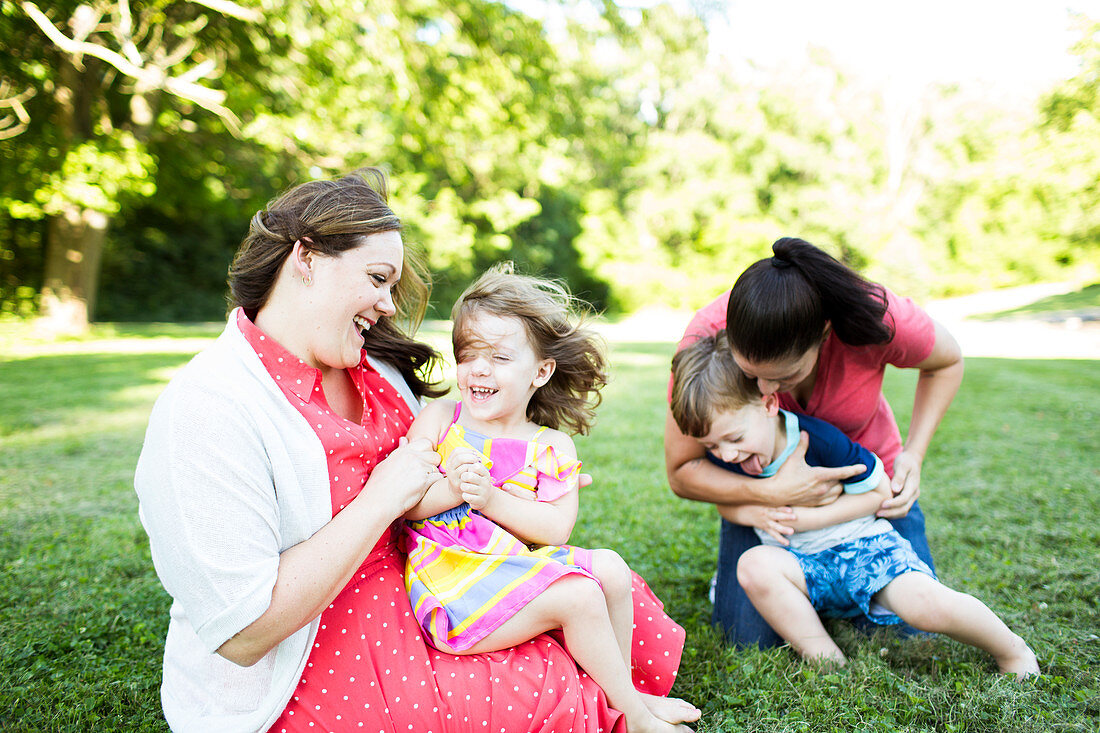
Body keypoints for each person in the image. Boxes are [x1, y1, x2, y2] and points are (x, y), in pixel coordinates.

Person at [134, 168, 689, 733]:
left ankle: (621, 696)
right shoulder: (207, 408)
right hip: (318, 643)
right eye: (377, 278)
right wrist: (382, 499)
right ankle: (620, 704)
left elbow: (480, 427)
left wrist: (523, 475)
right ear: (305, 257)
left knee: (608, 590)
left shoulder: (371, 365)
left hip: (442, 567)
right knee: (544, 688)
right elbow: (244, 630)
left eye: (390, 286)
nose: (385, 304)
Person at [401, 264, 699, 733]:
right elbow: (404, 503)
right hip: (453, 584)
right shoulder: (441, 419)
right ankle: (636, 719)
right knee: (579, 597)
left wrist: (491, 499)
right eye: (468, 354)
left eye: (498, 357)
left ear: (541, 371)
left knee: (612, 569)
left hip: (514, 563)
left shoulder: (550, 446)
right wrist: (452, 488)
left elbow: (557, 529)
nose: (478, 367)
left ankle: (625, 690)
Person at [669, 333, 1039, 677]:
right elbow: (725, 506)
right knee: (753, 565)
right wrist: (753, 511)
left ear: (768, 403)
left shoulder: (818, 439)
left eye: (733, 438)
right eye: (713, 447)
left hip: (864, 550)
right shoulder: (731, 455)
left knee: (923, 604)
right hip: (803, 566)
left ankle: (1011, 649)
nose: (726, 454)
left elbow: (879, 494)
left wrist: (805, 518)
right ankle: (827, 660)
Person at [665, 236, 965, 648]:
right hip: (767, 509)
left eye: (782, 377)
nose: (767, 389)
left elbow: (947, 360)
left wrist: (914, 452)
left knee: (910, 632)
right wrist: (768, 493)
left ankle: (818, 585)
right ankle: (794, 579)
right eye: (751, 377)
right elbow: (681, 472)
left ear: (824, 335)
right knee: (746, 640)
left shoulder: (875, 314)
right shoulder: (706, 343)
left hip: (867, 490)